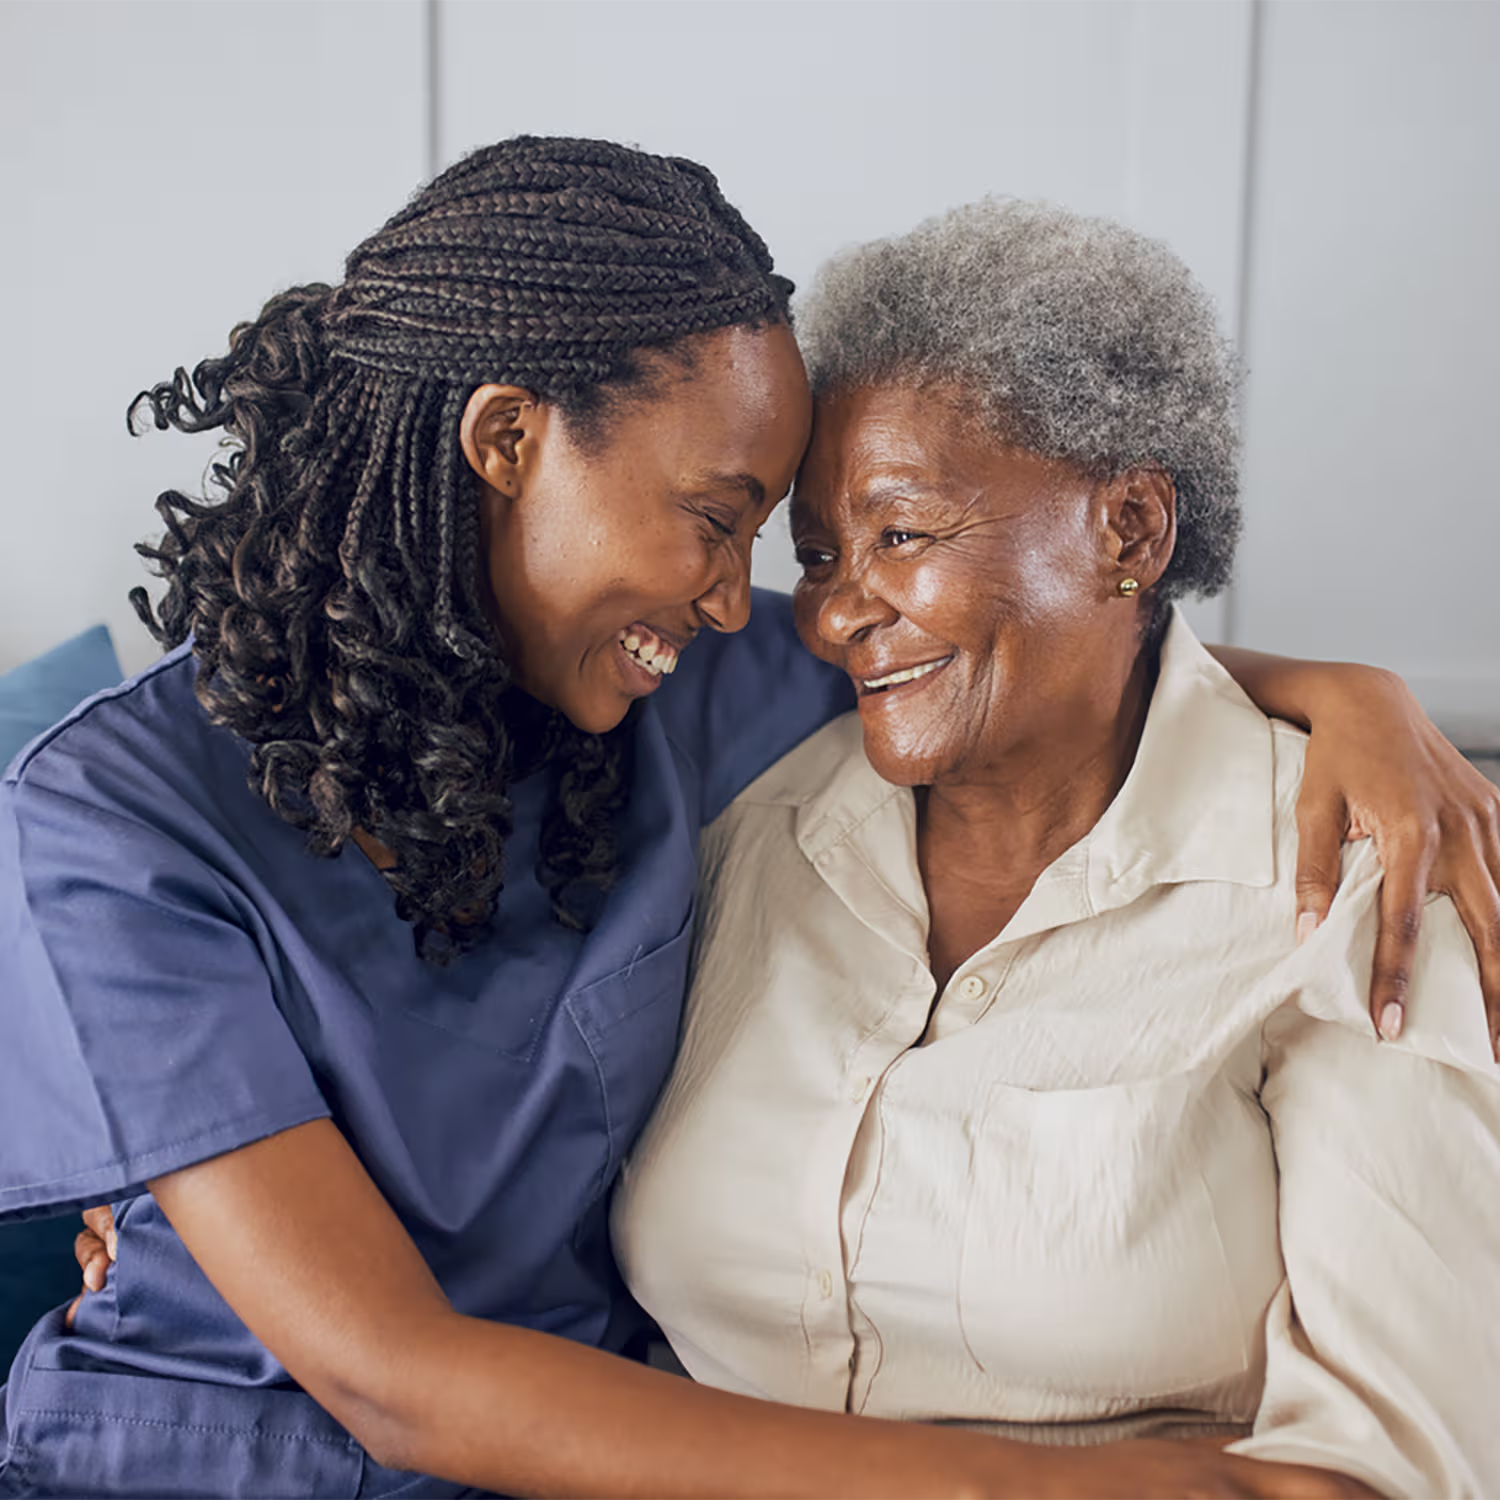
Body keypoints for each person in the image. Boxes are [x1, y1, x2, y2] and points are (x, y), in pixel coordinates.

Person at [7, 140, 1499, 1500]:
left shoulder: (663, 693)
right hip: (205, 1458)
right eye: (724, 522)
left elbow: (1007, 655)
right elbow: (396, 1378)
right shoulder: (116, 819)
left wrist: (1346, 692)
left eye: (797, 542)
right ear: (509, 440)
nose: (757, 603)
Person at [611, 198, 1500, 1498]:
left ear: (1131, 532)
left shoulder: (1356, 875)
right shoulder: (756, 834)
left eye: (901, 533)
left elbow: (1396, 1470)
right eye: (818, 555)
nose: (841, 611)